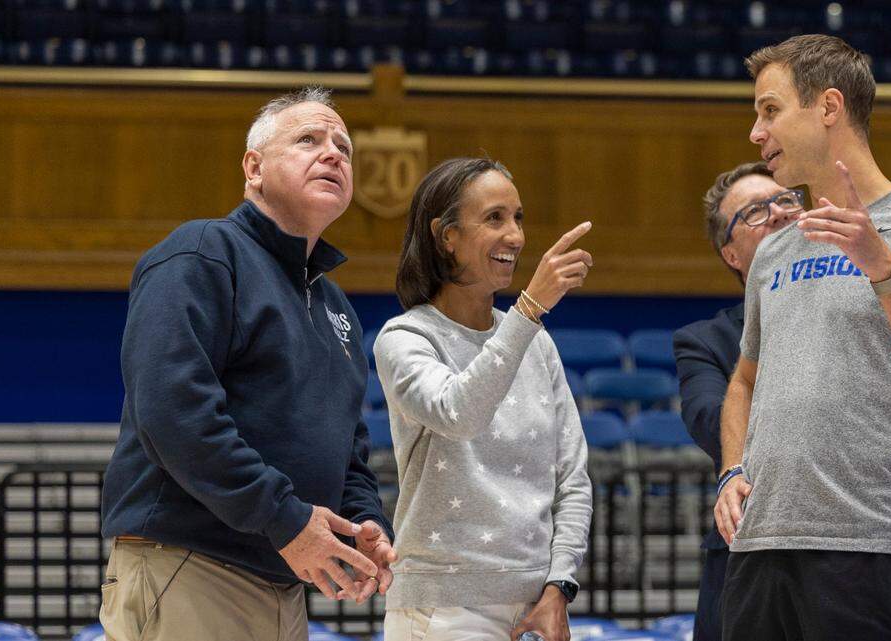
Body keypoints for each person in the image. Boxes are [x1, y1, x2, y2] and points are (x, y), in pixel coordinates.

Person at [100, 87, 395, 641]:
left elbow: (348, 448)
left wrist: (363, 524)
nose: (334, 154)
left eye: (344, 148)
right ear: (254, 168)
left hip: (282, 582)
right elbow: (174, 413)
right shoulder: (202, 253)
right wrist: (286, 518)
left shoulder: (337, 308)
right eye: (309, 139)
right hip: (190, 566)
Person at [715, 35, 891, 641]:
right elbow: (744, 382)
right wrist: (732, 472)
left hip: (876, 552)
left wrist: (883, 268)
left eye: (770, 110)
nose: (755, 133)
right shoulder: (774, 250)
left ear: (828, 107)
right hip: (760, 553)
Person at [373, 157, 593, 641]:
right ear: (445, 235)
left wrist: (559, 586)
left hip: (537, 605)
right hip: (443, 609)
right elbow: (459, 412)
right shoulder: (405, 337)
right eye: (494, 218)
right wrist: (529, 310)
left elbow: (572, 478)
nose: (515, 235)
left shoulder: (536, 340)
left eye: (518, 218)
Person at [673, 161, 799, 641]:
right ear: (730, 253)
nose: (778, 213)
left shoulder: (858, 309)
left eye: (787, 200)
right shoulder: (703, 340)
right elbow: (709, 421)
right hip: (747, 556)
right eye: (754, 212)